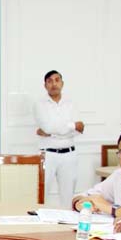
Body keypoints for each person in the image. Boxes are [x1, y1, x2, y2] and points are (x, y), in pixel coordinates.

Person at [34, 70, 84, 206]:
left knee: (68, 196)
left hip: (69, 154)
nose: (54, 84)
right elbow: (47, 127)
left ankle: (67, 219)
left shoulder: (71, 103)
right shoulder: (39, 104)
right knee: (41, 195)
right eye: (49, 81)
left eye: (57, 80)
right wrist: (71, 126)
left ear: (62, 83)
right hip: (47, 154)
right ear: (45, 85)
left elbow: (79, 128)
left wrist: (53, 132)